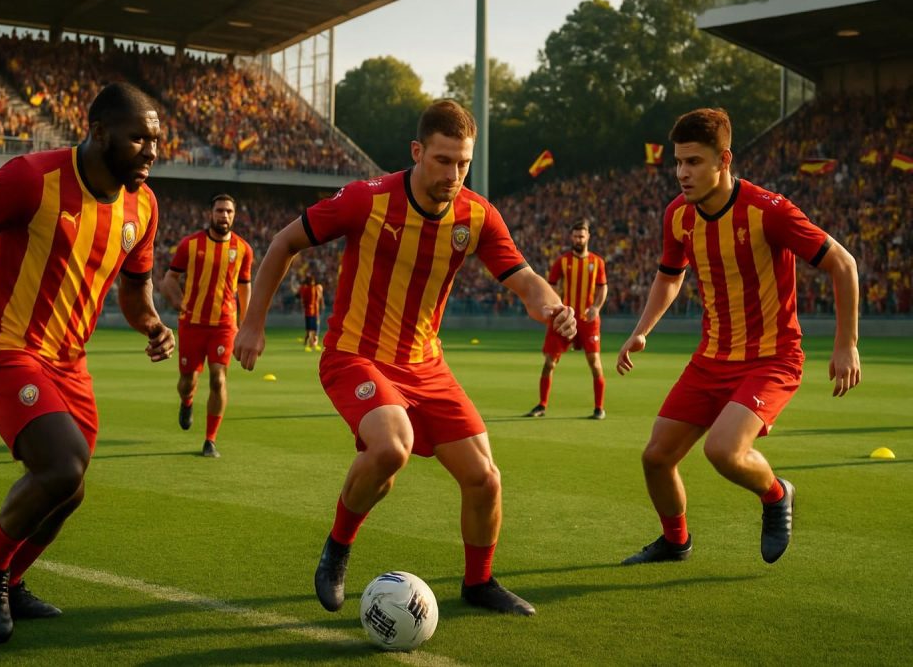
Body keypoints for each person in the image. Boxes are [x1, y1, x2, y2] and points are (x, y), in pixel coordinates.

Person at [234, 99, 576, 616]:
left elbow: (525, 280)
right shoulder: (365, 200)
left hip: (427, 365)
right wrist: (253, 323)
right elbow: (284, 243)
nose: (454, 174)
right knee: (392, 448)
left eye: (463, 162)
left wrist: (553, 308)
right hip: (356, 355)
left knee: (485, 478)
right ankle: (337, 549)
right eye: (442, 160)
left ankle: (479, 583)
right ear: (417, 152)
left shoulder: (477, 216)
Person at [0, 82, 175, 643]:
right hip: (5, 349)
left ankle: (14, 581)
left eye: (157, 140)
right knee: (64, 464)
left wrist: (152, 324)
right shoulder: (33, 178)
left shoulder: (141, 206)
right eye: (139, 138)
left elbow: (135, 292)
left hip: (70, 364)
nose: (151, 151)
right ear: (98, 133)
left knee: (69, 490)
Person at [616, 108, 861, 565]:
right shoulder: (678, 216)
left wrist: (846, 344)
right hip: (710, 359)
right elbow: (670, 276)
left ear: (723, 160)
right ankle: (675, 542)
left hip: (772, 358)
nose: (682, 173)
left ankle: (775, 494)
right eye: (678, 162)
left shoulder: (770, 210)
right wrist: (641, 331)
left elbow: (843, 264)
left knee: (723, 451)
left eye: (693, 162)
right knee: (656, 457)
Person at [160, 193, 252, 458]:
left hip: (224, 324)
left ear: (234, 216)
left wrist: (246, 324)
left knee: (218, 378)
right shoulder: (190, 245)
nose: (224, 215)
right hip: (192, 324)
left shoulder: (243, 249)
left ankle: (210, 440)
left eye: (229, 212)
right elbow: (169, 280)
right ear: (210, 214)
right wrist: (179, 303)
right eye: (220, 211)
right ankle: (187, 402)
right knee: (187, 382)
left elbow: (245, 289)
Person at [525, 219, 608, 419]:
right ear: (571, 237)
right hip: (563, 318)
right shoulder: (562, 261)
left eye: (581, 235)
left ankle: (599, 408)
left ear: (588, 237)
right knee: (549, 363)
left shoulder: (597, 262)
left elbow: (602, 287)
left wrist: (596, 307)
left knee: (595, 363)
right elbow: (551, 286)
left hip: (587, 320)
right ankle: (542, 405)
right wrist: (557, 306)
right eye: (575, 235)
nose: (578, 239)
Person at [298, 273, 324, 351]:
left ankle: (311, 344)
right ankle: (311, 344)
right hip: (311, 312)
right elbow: (316, 299)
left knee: (312, 329)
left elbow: (304, 301)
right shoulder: (311, 289)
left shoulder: (310, 289)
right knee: (312, 329)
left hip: (311, 312)